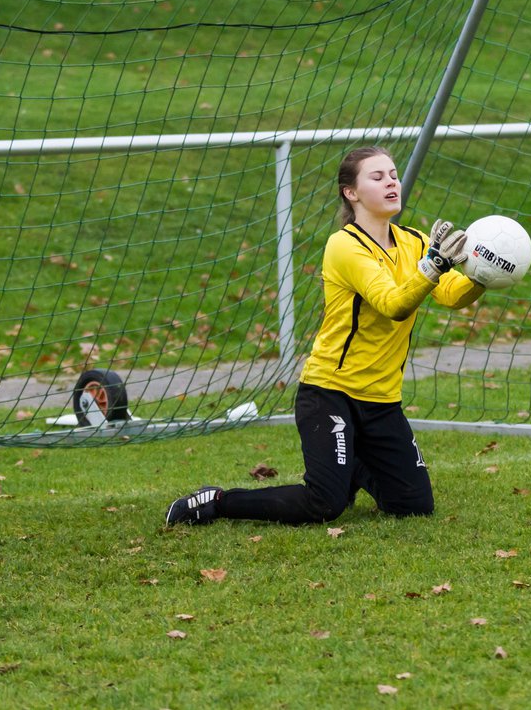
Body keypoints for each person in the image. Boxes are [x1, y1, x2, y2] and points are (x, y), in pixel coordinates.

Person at [165, 146, 486, 526]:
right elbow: (391, 303)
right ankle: (217, 501)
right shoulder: (344, 246)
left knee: (414, 505)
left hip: (382, 400)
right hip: (330, 393)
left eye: (394, 175)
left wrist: (482, 275)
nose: (391, 182)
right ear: (351, 193)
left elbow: (450, 294)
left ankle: (353, 465)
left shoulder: (414, 241)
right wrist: (433, 264)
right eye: (377, 176)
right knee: (323, 504)